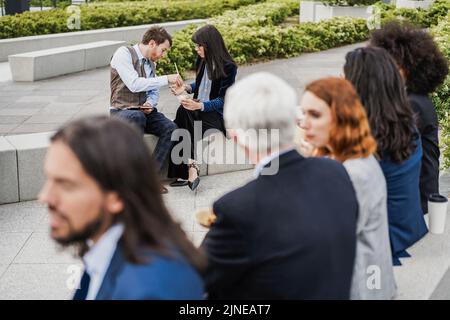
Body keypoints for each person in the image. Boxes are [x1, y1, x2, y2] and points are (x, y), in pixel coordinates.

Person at [202, 72, 358, 299]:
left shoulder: (237, 208)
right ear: (293, 122)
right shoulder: (335, 172)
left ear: (236, 138)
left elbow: (195, 279)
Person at [38, 116, 205, 300]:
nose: (44, 197)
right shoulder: (108, 247)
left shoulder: (149, 291)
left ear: (115, 197)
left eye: (65, 184)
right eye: (49, 179)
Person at [298, 77, 396, 300]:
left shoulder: (354, 173)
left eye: (315, 115)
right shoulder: (341, 157)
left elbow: (323, 237)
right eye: (303, 113)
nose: (304, 123)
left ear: (341, 118)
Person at [344, 47, 428, 266]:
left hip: (377, 234)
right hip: (401, 226)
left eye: (346, 77)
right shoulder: (403, 124)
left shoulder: (368, 136)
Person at [370, 21, 449, 214]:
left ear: (406, 68)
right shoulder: (413, 98)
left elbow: (382, 144)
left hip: (414, 200)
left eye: (390, 65)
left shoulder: (412, 103)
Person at [109, 26, 181, 193]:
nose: (164, 55)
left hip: (143, 112)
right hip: (121, 111)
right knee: (136, 117)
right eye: (163, 50)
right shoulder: (123, 53)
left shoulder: (150, 64)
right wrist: (167, 79)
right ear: (152, 43)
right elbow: (134, 84)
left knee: (171, 128)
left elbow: (153, 91)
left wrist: (150, 103)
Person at [168, 25, 237, 191]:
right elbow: (200, 85)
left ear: (210, 45)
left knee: (182, 118)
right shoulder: (202, 61)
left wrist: (200, 105)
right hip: (198, 109)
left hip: (214, 115)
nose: (196, 49)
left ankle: (187, 170)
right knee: (184, 112)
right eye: (196, 46)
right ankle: (191, 168)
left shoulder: (229, 66)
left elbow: (222, 99)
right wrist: (185, 88)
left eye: (199, 46)